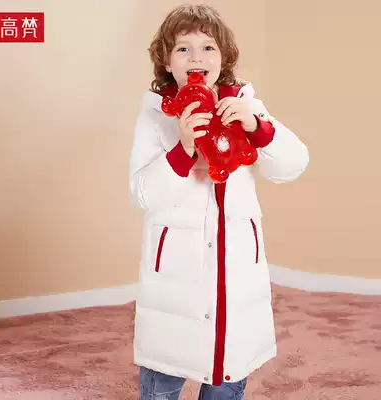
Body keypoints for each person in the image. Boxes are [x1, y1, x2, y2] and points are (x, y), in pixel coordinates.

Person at [129, 4, 309, 399]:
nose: (196, 57)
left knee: (229, 369)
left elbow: (293, 164)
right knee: (165, 371)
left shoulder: (244, 104)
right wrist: (183, 148)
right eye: (183, 49)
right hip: (177, 269)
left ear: (224, 57)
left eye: (208, 47)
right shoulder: (157, 114)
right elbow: (143, 194)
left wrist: (257, 127)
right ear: (166, 62)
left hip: (237, 266)